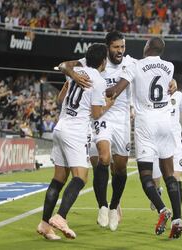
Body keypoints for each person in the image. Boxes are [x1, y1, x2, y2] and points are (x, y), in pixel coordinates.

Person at [106, 37, 182, 239]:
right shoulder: (169, 66)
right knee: (169, 175)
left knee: (146, 176)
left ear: (147, 47)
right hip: (165, 123)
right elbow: (168, 82)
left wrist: (103, 89)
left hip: (145, 124)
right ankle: (178, 218)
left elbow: (116, 90)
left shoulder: (135, 65)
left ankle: (161, 209)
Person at [58, 31, 135, 231]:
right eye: (116, 47)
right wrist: (73, 74)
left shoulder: (130, 63)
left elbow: (149, 76)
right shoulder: (93, 61)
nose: (120, 51)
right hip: (101, 116)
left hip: (122, 121)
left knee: (121, 166)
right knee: (103, 157)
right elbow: (64, 65)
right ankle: (102, 205)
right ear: (107, 47)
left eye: (122, 47)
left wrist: (173, 82)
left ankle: (114, 205)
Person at [36, 43, 114, 240]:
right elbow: (96, 115)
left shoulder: (75, 71)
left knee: (58, 179)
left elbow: (61, 99)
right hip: (76, 132)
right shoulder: (98, 80)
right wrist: (108, 105)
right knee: (80, 177)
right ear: (103, 61)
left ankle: (45, 224)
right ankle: (61, 217)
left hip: (61, 127)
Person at [151, 90, 182, 210]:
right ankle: (157, 190)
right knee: (155, 178)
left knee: (176, 176)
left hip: (175, 144)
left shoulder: (179, 96)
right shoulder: (156, 94)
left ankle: (176, 215)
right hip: (158, 141)